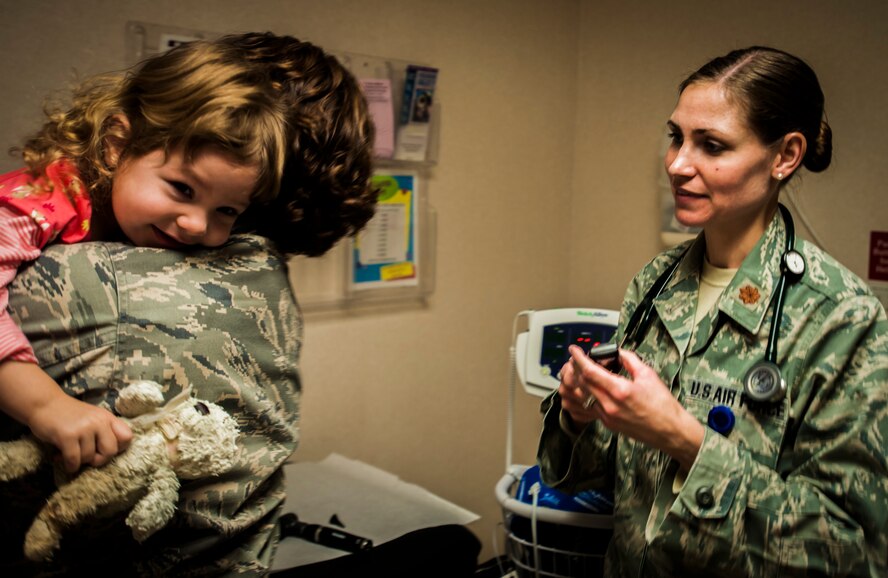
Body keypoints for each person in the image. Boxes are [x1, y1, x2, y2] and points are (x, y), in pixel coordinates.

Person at [537, 46, 887, 576]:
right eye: (676, 137)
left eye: (712, 145)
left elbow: (852, 551)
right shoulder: (655, 285)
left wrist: (685, 441)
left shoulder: (842, 319)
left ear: (784, 156)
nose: (678, 164)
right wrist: (580, 417)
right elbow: (601, 479)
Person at [0, 31, 376, 475]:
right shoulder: (37, 201)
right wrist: (45, 405)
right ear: (117, 144)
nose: (197, 224)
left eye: (226, 210)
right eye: (182, 188)